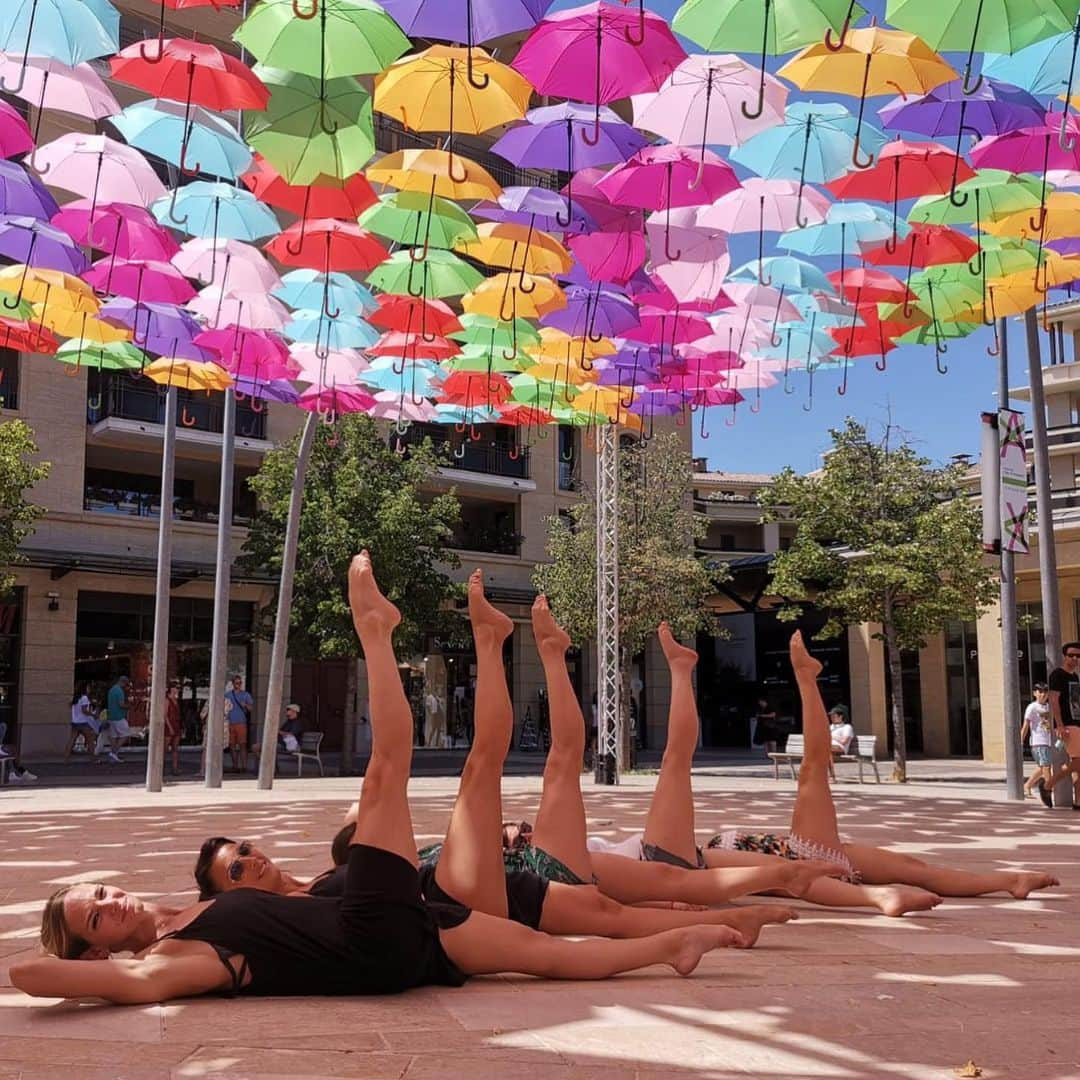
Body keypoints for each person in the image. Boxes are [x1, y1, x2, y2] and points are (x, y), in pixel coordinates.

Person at [12, 552, 746, 1006]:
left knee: (552, 958)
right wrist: (89, 965)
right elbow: (32, 978)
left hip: (406, 936)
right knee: (384, 778)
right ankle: (376, 633)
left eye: (101, 890)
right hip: (369, 931)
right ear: (99, 948)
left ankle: (673, 946)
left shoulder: (190, 912)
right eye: (97, 916)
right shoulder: (172, 961)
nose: (113, 900)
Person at [192, 573, 799, 948]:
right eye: (237, 871)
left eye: (242, 850)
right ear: (233, 897)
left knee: (575, 783)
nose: (252, 860)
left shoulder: (332, 867)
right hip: (477, 898)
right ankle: (504, 646)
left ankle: (525, 650)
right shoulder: (292, 911)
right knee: (551, 775)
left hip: (503, 877)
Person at [1037, 642, 1080, 809]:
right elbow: (1053, 700)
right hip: (1068, 724)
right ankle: (1047, 785)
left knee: (1077, 764)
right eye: (1071, 655)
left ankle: (1077, 802)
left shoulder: (1074, 676)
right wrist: (1060, 725)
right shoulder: (1057, 675)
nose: (1075, 658)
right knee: (1078, 761)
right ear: (1064, 656)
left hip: (1077, 722)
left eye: (1078, 656)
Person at [1021, 683, 1054, 799]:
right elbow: (1026, 725)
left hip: (1049, 741)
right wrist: (1021, 740)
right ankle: (1049, 790)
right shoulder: (1032, 707)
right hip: (1038, 742)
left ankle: (1027, 785)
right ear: (1035, 693)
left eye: (1045, 692)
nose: (1043, 694)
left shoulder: (1049, 707)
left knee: (1042, 767)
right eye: (1040, 692)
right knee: (1046, 767)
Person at [225, 676, 252, 773]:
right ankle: (235, 766)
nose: (238, 685)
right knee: (232, 745)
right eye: (236, 683)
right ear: (233, 684)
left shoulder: (246, 695)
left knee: (242, 745)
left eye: (240, 683)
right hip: (230, 722)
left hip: (241, 723)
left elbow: (250, 709)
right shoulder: (227, 695)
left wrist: (245, 705)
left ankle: (244, 766)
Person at [65, 685, 99, 761]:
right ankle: (93, 758)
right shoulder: (84, 698)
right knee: (90, 739)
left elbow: (71, 706)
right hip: (82, 722)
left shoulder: (76, 698)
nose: (89, 689)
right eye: (88, 688)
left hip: (75, 722)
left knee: (72, 740)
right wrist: (93, 714)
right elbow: (84, 710)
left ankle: (66, 758)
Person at [164, 682, 182, 776]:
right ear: (171, 689)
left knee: (175, 748)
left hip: (176, 724)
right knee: (165, 748)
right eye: (176, 687)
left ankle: (175, 768)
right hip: (169, 725)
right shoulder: (167, 700)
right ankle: (160, 768)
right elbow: (165, 715)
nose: (178, 689)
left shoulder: (176, 700)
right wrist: (169, 727)